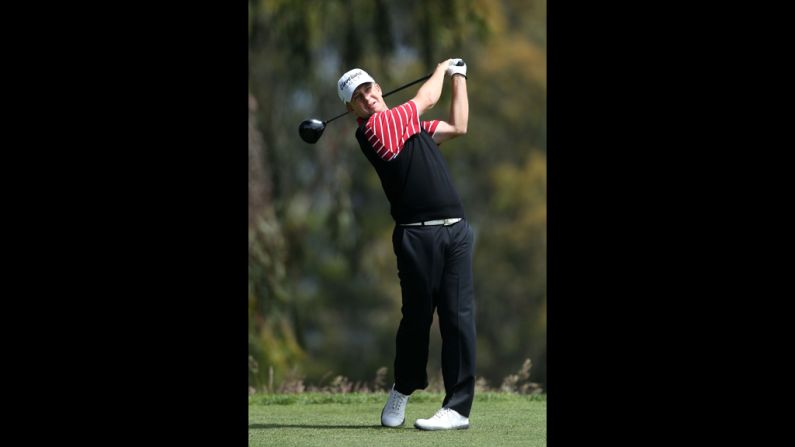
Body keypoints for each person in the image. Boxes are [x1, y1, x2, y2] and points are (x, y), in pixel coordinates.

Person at [336, 58, 476, 431]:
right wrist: (443, 67)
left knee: (458, 319)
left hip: (456, 230)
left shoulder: (408, 128)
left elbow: (459, 126)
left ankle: (458, 409)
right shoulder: (376, 129)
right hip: (417, 235)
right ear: (351, 110)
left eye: (369, 89)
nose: (367, 98)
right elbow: (426, 98)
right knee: (416, 319)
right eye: (358, 97)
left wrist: (459, 77)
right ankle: (403, 386)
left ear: (379, 88)